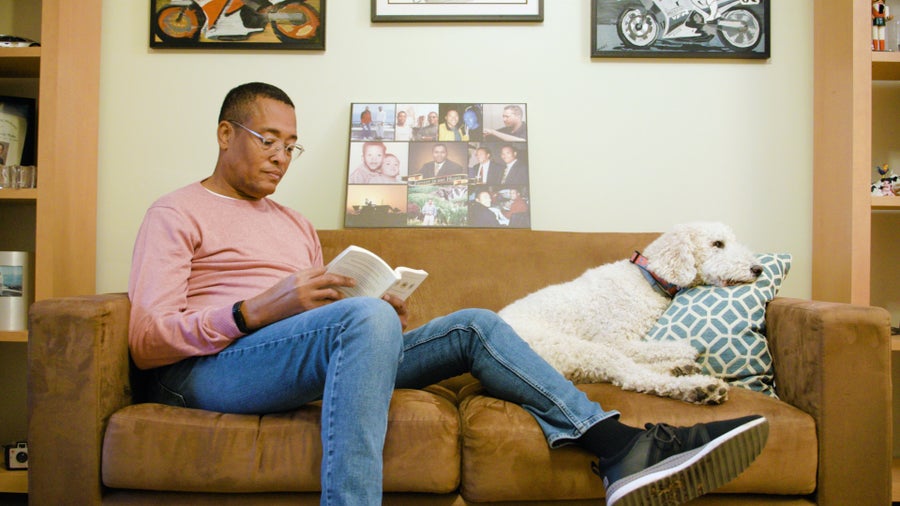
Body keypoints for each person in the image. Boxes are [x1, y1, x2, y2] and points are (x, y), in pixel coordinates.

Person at [128, 82, 768, 506]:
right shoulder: (176, 212)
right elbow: (148, 340)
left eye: (292, 147)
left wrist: (373, 307)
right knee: (360, 321)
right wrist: (257, 308)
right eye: (269, 141)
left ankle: (620, 447)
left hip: (301, 357)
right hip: (212, 371)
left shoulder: (293, 222)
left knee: (473, 324)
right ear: (225, 134)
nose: (281, 158)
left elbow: (318, 321)